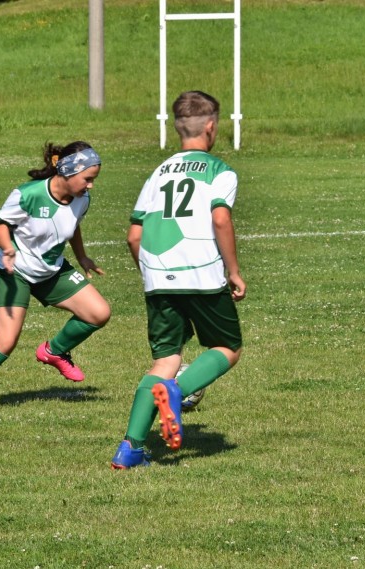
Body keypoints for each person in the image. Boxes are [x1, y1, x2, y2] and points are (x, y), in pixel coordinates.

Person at [111, 91, 246, 469]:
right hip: (201, 271)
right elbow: (220, 218)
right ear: (211, 126)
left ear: (177, 128)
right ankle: (176, 392)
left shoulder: (157, 173)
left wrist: (151, 274)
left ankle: (130, 449)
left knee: (165, 359)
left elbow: (134, 236)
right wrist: (233, 271)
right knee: (227, 346)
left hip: (157, 274)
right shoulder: (220, 171)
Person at [0, 141, 110, 414]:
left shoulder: (82, 200)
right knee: (6, 340)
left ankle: (54, 351)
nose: (91, 185)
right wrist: (7, 248)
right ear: (68, 171)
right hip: (16, 271)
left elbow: (73, 226)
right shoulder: (29, 194)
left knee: (99, 313)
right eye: (87, 179)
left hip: (52, 271)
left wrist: (82, 257)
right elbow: (0, 226)